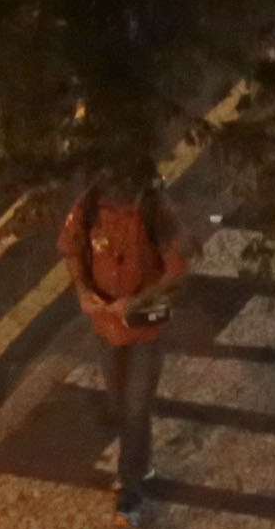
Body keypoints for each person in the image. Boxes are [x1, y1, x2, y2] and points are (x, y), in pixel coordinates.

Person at [58, 173, 189, 511]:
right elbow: (72, 249)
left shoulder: (154, 208)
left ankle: (130, 483)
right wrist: (83, 291)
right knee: (120, 402)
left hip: (147, 325)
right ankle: (141, 463)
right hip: (106, 324)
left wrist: (138, 302)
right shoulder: (88, 206)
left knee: (135, 405)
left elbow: (175, 268)